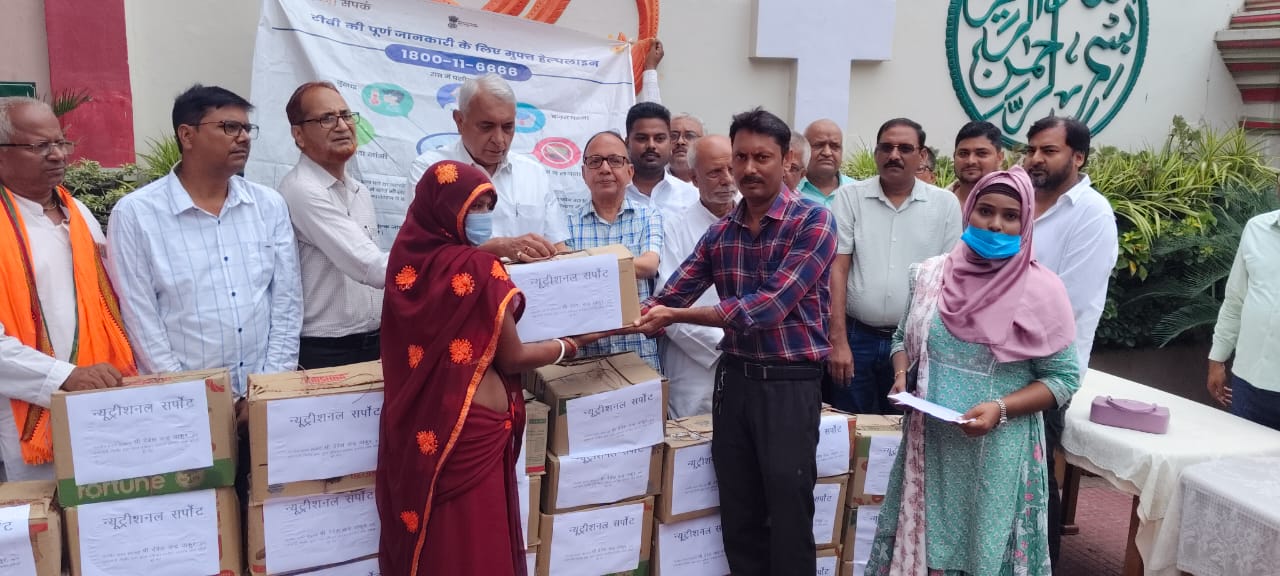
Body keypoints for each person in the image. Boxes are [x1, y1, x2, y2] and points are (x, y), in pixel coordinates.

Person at [377, 160, 608, 576]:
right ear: (445, 209)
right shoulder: (478, 269)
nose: (482, 217)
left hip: (427, 428)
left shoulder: (407, 265)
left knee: (443, 541)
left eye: (488, 206)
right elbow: (512, 357)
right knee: (476, 543)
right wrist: (573, 343)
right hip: (472, 431)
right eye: (474, 207)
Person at [633, 108, 836, 574]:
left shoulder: (813, 222)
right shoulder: (721, 233)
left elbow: (765, 308)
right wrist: (609, 319)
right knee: (740, 514)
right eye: (740, 157)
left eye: (762, 157)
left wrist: (674, 314)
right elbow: (669, 294)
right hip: (735, 385)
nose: (748, 169)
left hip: (788, 386)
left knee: (788, 513)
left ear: (786, 160)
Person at [867, 167, 1080, 576]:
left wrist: (1001, 408)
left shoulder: (1043, 291)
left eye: (1010, 216)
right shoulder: (930, 276)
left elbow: (1064, 379)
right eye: (985, 210)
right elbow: (901, 337)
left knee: (985, 553)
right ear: (968, 211)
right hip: (929, 446)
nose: (995, 224)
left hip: (999, 456)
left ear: (1026, 223)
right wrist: (901, 372)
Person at [108, 84, 302, 412]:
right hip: (183, 405)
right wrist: (193, 398)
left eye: (247, 128)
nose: (243, 137)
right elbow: (141, 318)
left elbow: (287, 301)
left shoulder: (268, 205)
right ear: (187, 135)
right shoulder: (136, 214)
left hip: (263, 397)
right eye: (230, 127)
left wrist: (268, 388)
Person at [0, 97, 135, 481]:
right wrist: (63, 376)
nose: (58, 154)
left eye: (61, 142)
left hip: (104, 405)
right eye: (40, 146)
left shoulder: (79, 215)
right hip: (30, 415)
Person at [1023, 115, 1118, 566]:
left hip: (1046, 371)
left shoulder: (1092, 214)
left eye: (1048, 150)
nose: (1035, 159)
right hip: (996, 363)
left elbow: (1068, 303)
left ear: (1078, 157)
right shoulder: (1020, 199)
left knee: (1036, 480)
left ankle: (1043, 565)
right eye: (1031, 150)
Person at [828, 118, 962, 414]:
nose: (894, 155)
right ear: (876, 153)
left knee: (904, 428)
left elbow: (949, 278)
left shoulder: (945, 204)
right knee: (851, 425)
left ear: (922, 155)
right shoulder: (850, 197)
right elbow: (837, 268)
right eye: (886, 147)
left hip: (915, 342)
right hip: (856, 337)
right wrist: (837, 340)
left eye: (905, 148)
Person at [278, 81, 386, 369]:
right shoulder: (301, 189)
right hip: (327, 350)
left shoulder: (360, 191)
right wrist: (451, 262)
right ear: (298, 134)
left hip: (374, 341)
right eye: (327, 118)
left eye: (346, 115)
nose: (342, 126)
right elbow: (371, 267)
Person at [407, 73, 569, 263]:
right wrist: (498, 249)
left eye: (507, 127)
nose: (499, 140)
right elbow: (422, 252)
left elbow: (558, 248)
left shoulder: (533, 174)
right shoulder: (430, 172)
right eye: (486, 126)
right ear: (459, 121)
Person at [566, 131, 664, 370]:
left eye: (614, 160)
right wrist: (623, 267)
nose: (605, 169)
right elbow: (565, 277)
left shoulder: (648, 215)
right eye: (595, 161)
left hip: (638, 348)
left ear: (630, 172)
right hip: (586, 352)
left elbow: (649, 266)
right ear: (583, 173)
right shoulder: (565, 222)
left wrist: (585, 265)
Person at [657, 134, 737, 417]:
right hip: (696, 364)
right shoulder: (674, 228)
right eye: (715, 172)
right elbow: (667, 306)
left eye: (731, 168)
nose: (727, 179)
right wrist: (725, 344)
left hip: (755, 358)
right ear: (693, 178)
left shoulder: (760, 219)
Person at [1207, 205, 1280, 431]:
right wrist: (1217, 359)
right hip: (1247, 386)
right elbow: (1235, 300)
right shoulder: (1257, 228)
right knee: (1240, 453)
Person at [624, 102, 698, 220]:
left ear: (669, 143)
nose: (651, 145)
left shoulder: (692, 198)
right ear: (627, 143)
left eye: (659, 138)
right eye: (642, 138)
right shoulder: (612, 194)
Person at [797, 119, 855, 208]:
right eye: (818, 145)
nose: (827, 153)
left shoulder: (857, 191)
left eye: (834, 146)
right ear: (805, 150)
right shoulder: (789, 189)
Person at [951, 120, 1005, 206]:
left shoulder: (1017, 205)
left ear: (999, 158)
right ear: (954, 156)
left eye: (981, 153)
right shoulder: (937, 201)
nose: (970, 161)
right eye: (963, 153)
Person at [668, 113, 705, 183]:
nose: (680, 141)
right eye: (673, 136)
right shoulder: (651, 181)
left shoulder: (712, 183)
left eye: (689, 136)